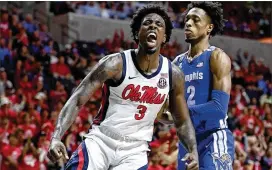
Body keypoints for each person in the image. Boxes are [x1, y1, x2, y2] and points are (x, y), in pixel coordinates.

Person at [47, 4, 199, 170]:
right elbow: (77, 99)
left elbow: (182, 121)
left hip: (136, 151)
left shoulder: (173, 75)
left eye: (159, 24)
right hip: (101, 141)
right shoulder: (114, 64)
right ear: (136, 33)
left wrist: (193, 150)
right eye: (147, 23)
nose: (153, 26)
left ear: (164, 37)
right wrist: (56, 136)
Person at [158, 2, 234, 170]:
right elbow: (167, 113)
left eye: (195, 20)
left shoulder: (216, 57)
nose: (188, 23)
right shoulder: (176, 63)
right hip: (187, 140)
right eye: (187, 19)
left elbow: (219, 108)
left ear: (209, 28)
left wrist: (180, 114)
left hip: (213, 137)